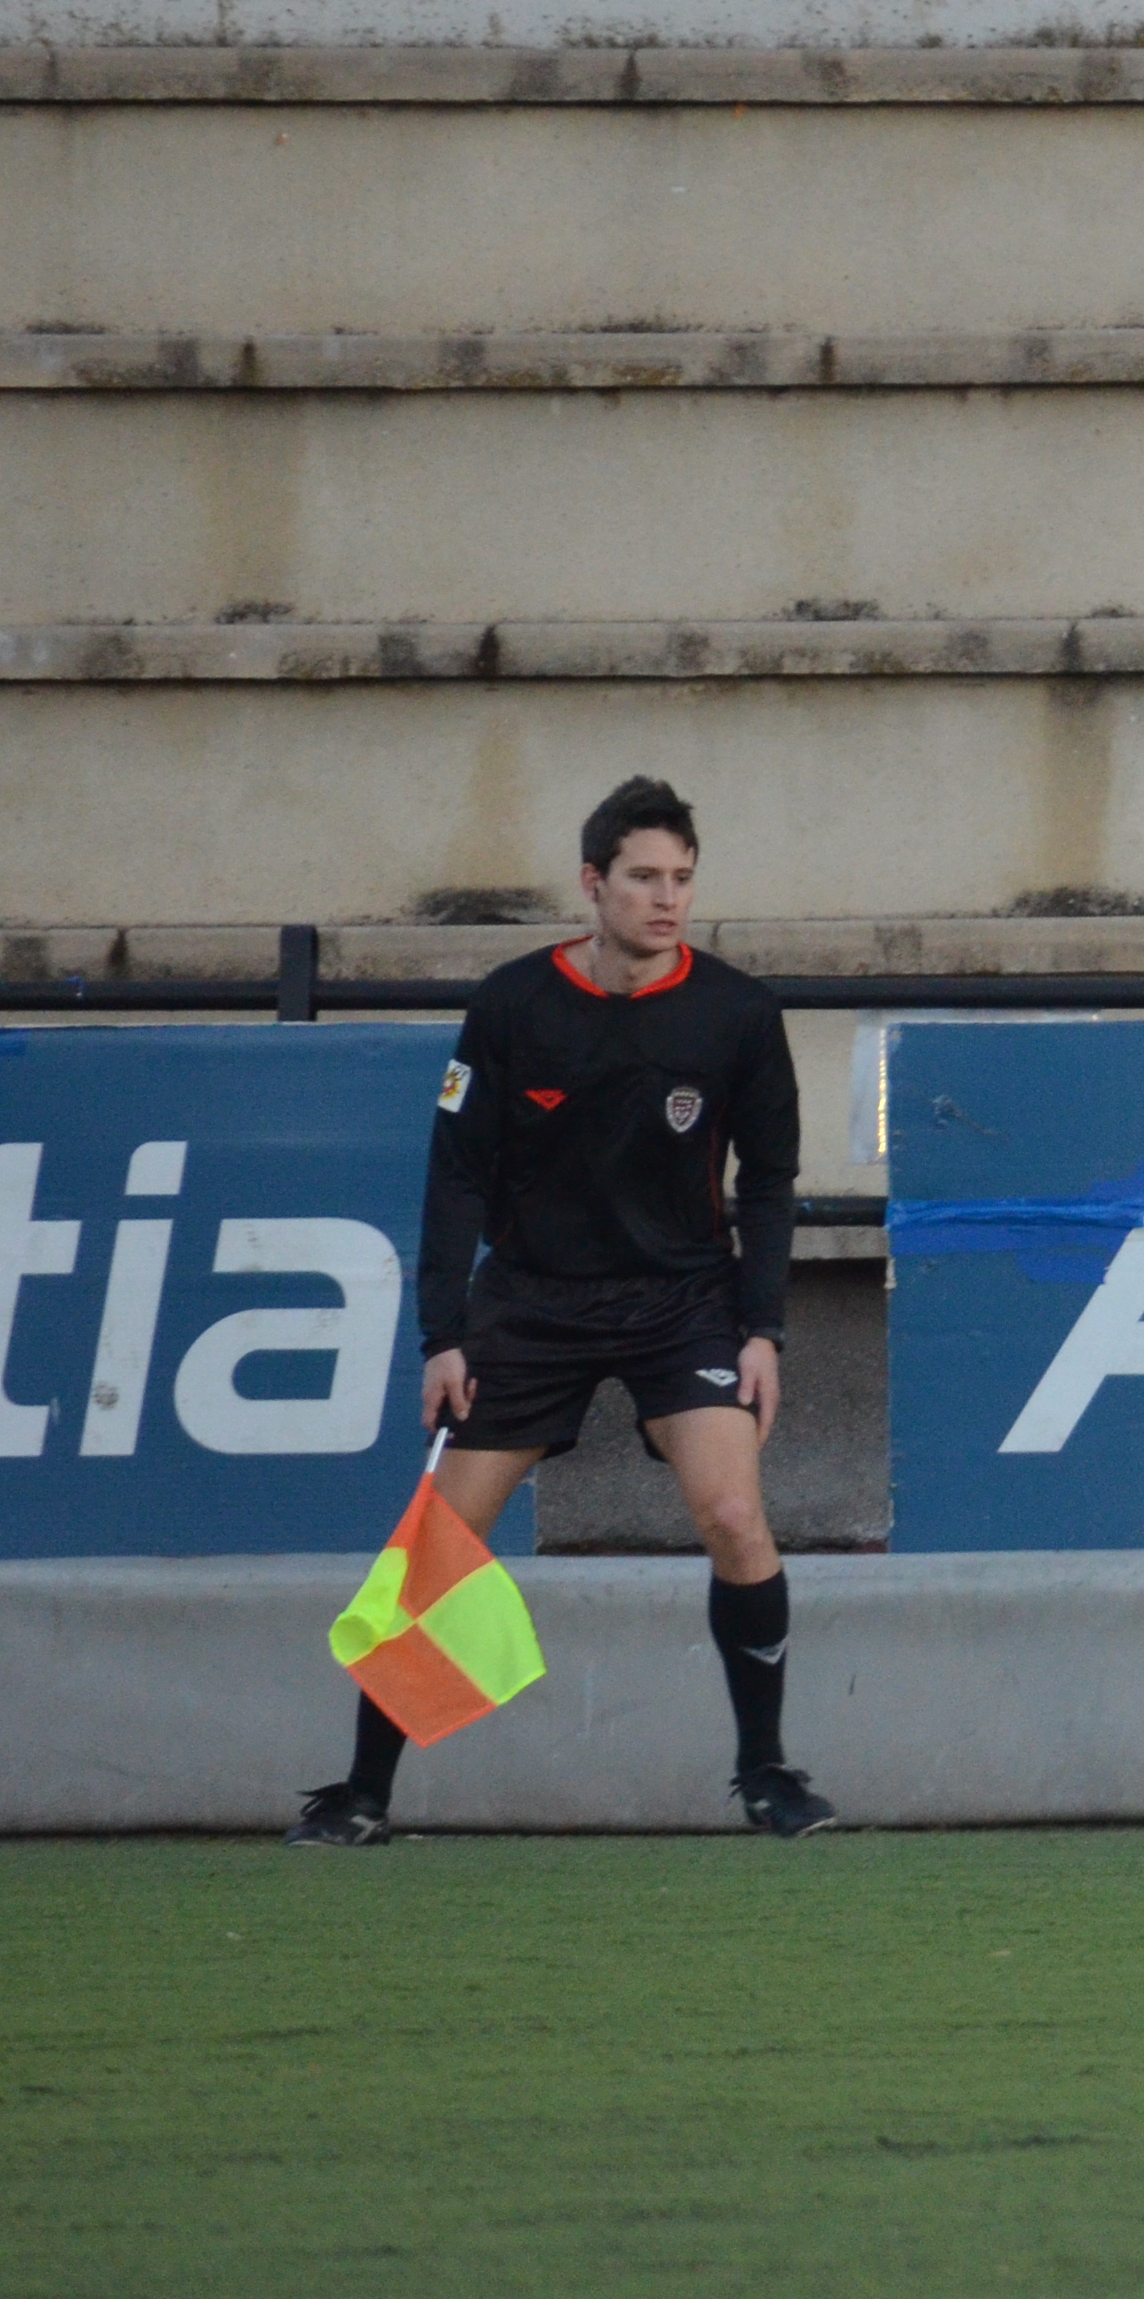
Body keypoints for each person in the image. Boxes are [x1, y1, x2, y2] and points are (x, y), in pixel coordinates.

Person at [289, 778, 832, 1845]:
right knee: (443, 1542)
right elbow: (453, 1178)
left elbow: (769, 1182)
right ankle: (362, 1793)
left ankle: (765, 1773)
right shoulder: (510, 1005)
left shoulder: (736, 1014)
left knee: (733, 1516)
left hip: (683, 1302)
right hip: (532, 1302)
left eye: (681, 879)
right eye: (643, 878)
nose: (665, 898)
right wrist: (442, 1336)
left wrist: (761, 1328)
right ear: (593, 884)